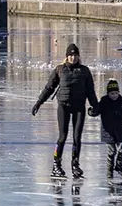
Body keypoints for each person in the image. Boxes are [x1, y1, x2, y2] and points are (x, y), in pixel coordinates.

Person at [31, 43, 98, 179]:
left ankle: (75, 164)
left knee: (77, 138)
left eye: (75, 55)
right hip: (64, 106)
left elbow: (90, 91)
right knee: (62, 136)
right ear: (67, 57)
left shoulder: (85, 71)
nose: (73, 58)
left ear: (79, 56)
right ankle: (56, 164)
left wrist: (96, 107)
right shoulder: (60, 70)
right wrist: (39, 102)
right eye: (70, 55)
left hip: (79, 107)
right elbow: (49, 88)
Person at [96, 79, 122, 178]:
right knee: (111, 151)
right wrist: (92, 112)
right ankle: (109, 170)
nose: (114, 95)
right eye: (112, 93)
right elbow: (97, 111)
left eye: (116, 93)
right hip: (108, 131)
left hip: (120, 130)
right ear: (108, 93)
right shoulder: (104, 101)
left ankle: (119, 166)